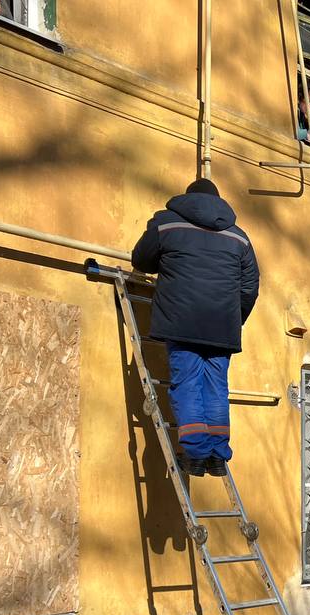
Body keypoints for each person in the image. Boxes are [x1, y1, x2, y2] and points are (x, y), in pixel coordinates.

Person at [131, 178, 259, 476]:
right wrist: (234, 319)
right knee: (216, 388)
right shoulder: (239, 237)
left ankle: (197, 454)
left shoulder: (167, 223)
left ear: (187, 199)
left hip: (181, 322)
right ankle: (217, 456)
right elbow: (250, 287)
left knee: (187, 384)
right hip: (222, 327)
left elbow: (142, 259)